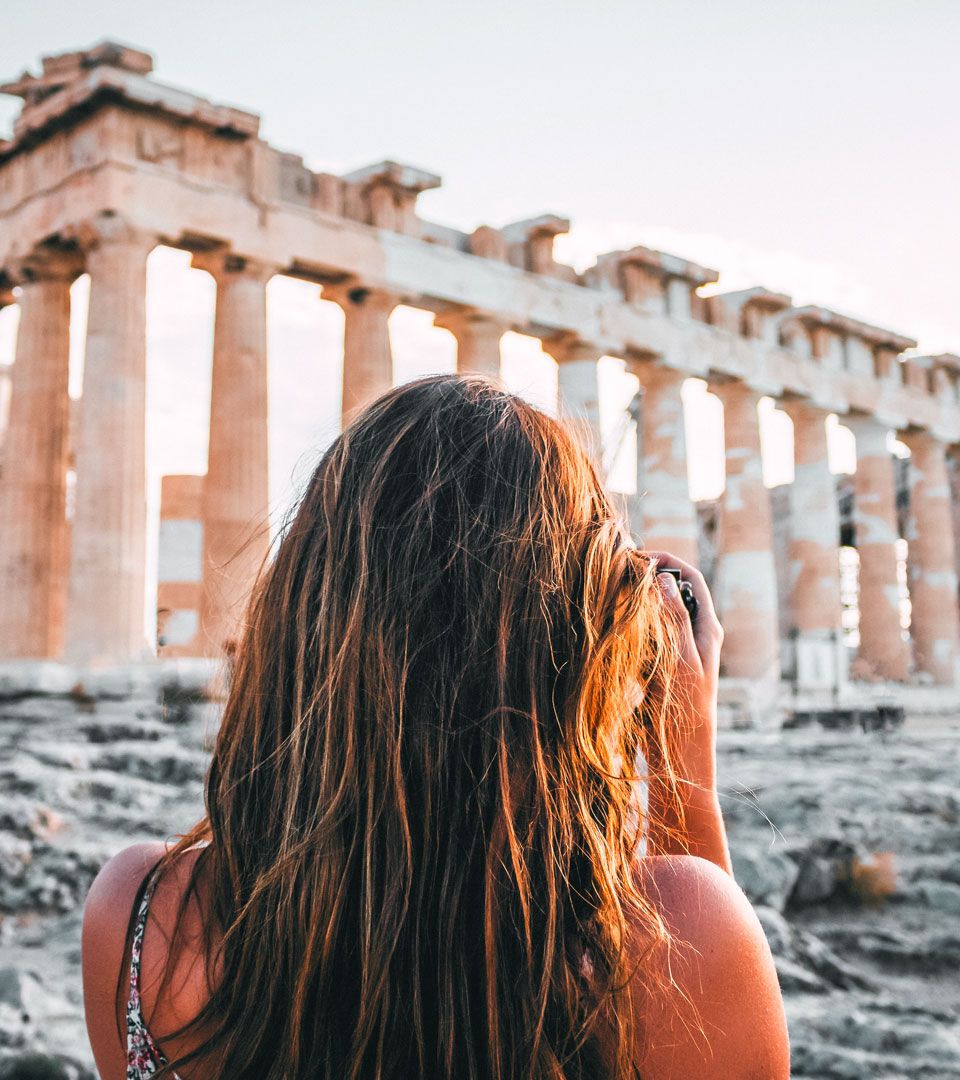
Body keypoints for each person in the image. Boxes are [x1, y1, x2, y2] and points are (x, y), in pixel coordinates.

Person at [82, 374, 789, 1079]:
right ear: (576, 647)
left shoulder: (138, 918)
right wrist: (681, 765)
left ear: (303, 605)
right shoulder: (681, 934)